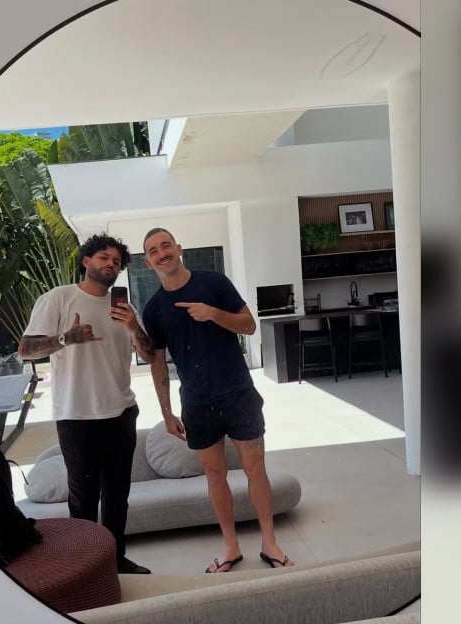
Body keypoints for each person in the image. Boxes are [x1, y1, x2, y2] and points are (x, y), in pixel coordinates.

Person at [139, 227, 294, 573]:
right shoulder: (154, 309)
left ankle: (270, 543)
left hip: (238, 392)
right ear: (148, 262)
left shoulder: (214, 283)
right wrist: (166, 412)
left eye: (166, 245)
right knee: (214, 474)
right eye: (153, 251)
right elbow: (157, 362)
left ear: (179, 248)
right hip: (196, 401)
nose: (162, 253)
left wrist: (213, 314)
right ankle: (230, 547)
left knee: (255, 469)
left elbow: (249, 326)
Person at [18, 233, 155, 575]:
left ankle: (116, 560)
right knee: (83, 499)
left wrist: (134, 326)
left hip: (121, 413)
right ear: (86, 261)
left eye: (117, 262)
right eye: (104, 257)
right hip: (77, 416)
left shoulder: (125, 309)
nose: (111, 264)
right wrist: (68, 338)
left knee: (117, 496)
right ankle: (87, 569)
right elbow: (25, 350)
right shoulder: (59, 298)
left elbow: (150, 354)